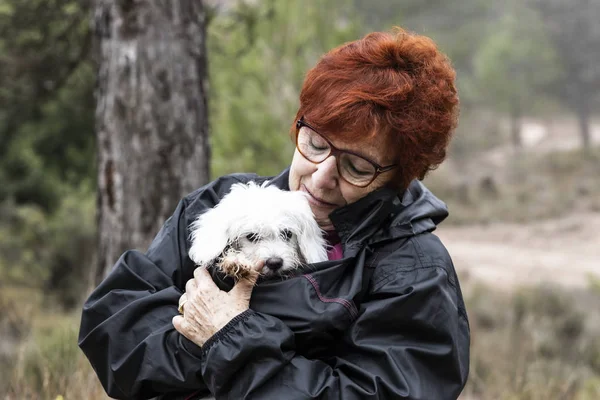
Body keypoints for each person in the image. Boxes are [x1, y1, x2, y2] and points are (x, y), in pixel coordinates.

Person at [78, 26, 470, 400]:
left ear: (399, 176)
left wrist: (231, 335)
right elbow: (113, 330)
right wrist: (203, 341)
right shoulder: (218, 204)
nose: (320, 178)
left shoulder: (414, 272)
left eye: (356, 167)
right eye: (315, 143)